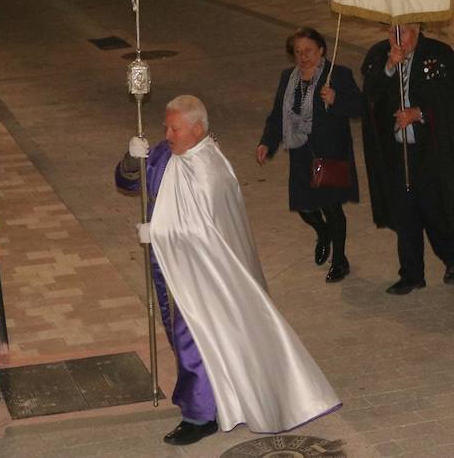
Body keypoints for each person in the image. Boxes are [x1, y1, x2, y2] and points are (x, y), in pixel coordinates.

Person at [118, 95, 339, 444]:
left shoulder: (211, 168)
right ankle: (217, 397)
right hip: (174, 265)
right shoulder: (163, 154)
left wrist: (157, 232)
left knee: (193, 335)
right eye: (166, 127)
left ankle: (199, 414)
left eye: (174, 128)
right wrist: (133, 157)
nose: (167, 134)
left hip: (207, 274)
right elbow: (131, 182)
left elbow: (207, 230)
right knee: (192, 335)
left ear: (198, 129)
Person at [359, 24, 454, 295]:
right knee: (404, 216)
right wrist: (390, 66)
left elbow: (451, 103)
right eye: (392, 33)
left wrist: (420, 113)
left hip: (430, 152)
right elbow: (370, 96)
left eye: (404, 33)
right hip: (396, 154)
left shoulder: (438, 55)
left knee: (434, 212)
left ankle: (452, 260)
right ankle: (412, 274)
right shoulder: (380, 55)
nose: (397, 39)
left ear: (417, 30)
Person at [256, 27, 363, 283]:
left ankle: (340, 261)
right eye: (298, 52)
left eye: (309, 51)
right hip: (301, 153)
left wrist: (336, 99)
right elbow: (277, 115)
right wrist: (267, 143)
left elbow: (360, 108)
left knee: (332, 208)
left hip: (330, 153)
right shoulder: (288, 78)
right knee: (303, 206)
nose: (303, 57)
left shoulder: (337, 75)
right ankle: (323, 233)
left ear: (322, 50)